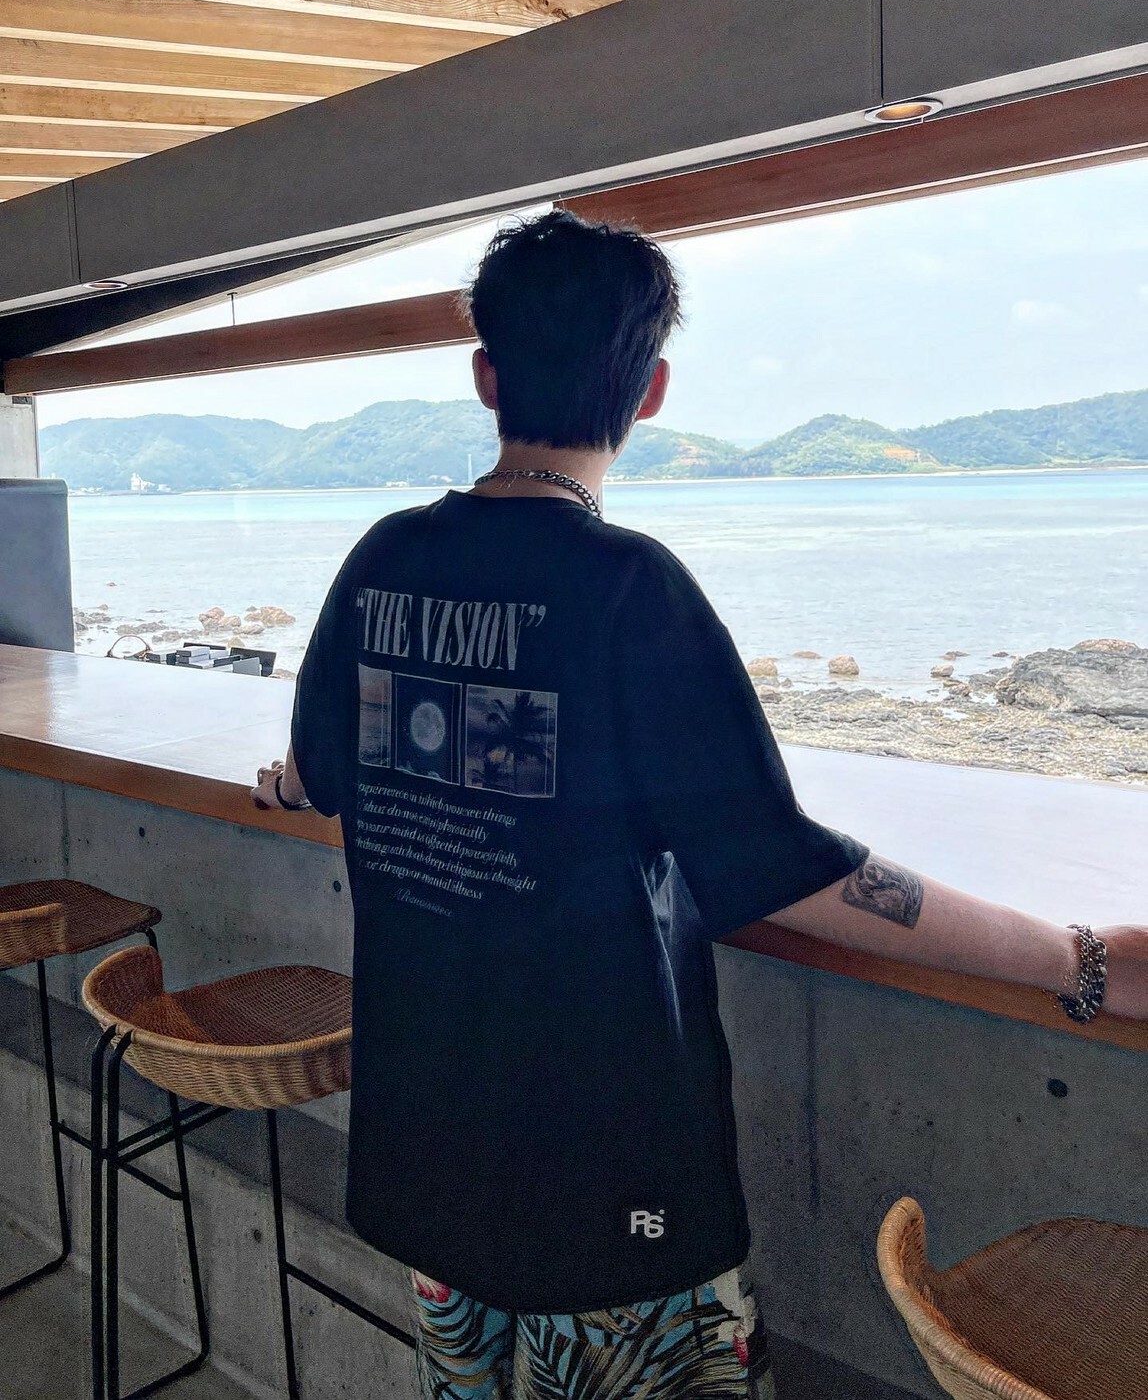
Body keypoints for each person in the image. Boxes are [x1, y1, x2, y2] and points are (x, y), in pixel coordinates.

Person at [253, 210, 1148, 1400]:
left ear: (485, 376)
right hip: (605, 1172)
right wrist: (1077, 959)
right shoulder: (628, 588)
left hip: (428, 1144)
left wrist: (289, 780)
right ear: (652, 390)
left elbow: (318, 769)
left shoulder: (381, 556)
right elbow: (782, 866)